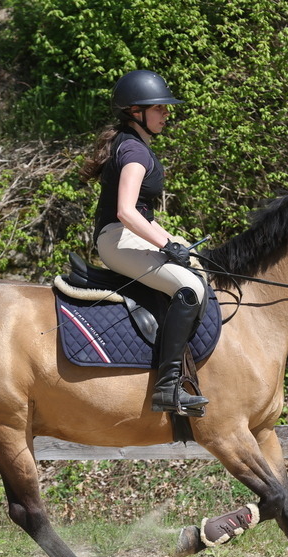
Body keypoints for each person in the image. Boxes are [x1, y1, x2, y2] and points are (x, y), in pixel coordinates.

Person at [79, 70, 208, 416]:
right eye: (160, 108)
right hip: (118, 238)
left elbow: (143, 214)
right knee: (189, 290)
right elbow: (125, 212)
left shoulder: (132, 142)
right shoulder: (134, 151)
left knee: (201, 266)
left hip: (131, 233)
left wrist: (173, 241)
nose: (167, 114)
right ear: (136, 111)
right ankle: (167, 388)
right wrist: (166, 246)